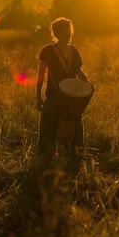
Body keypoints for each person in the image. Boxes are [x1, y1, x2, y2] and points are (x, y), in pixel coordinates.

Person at [35, 17, 92, 161]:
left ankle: (76, 159)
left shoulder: (74, 50)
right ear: (56, 34)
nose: (68, 36)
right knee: (47, 132)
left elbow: (78, 71)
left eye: (70, 33)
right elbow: (40, 75)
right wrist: (38, 97)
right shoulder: (47, 51)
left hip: (72, 98)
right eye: (65, 34)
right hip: (53, 97)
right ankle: (43, 161)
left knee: (76, 132)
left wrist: (87, 82)